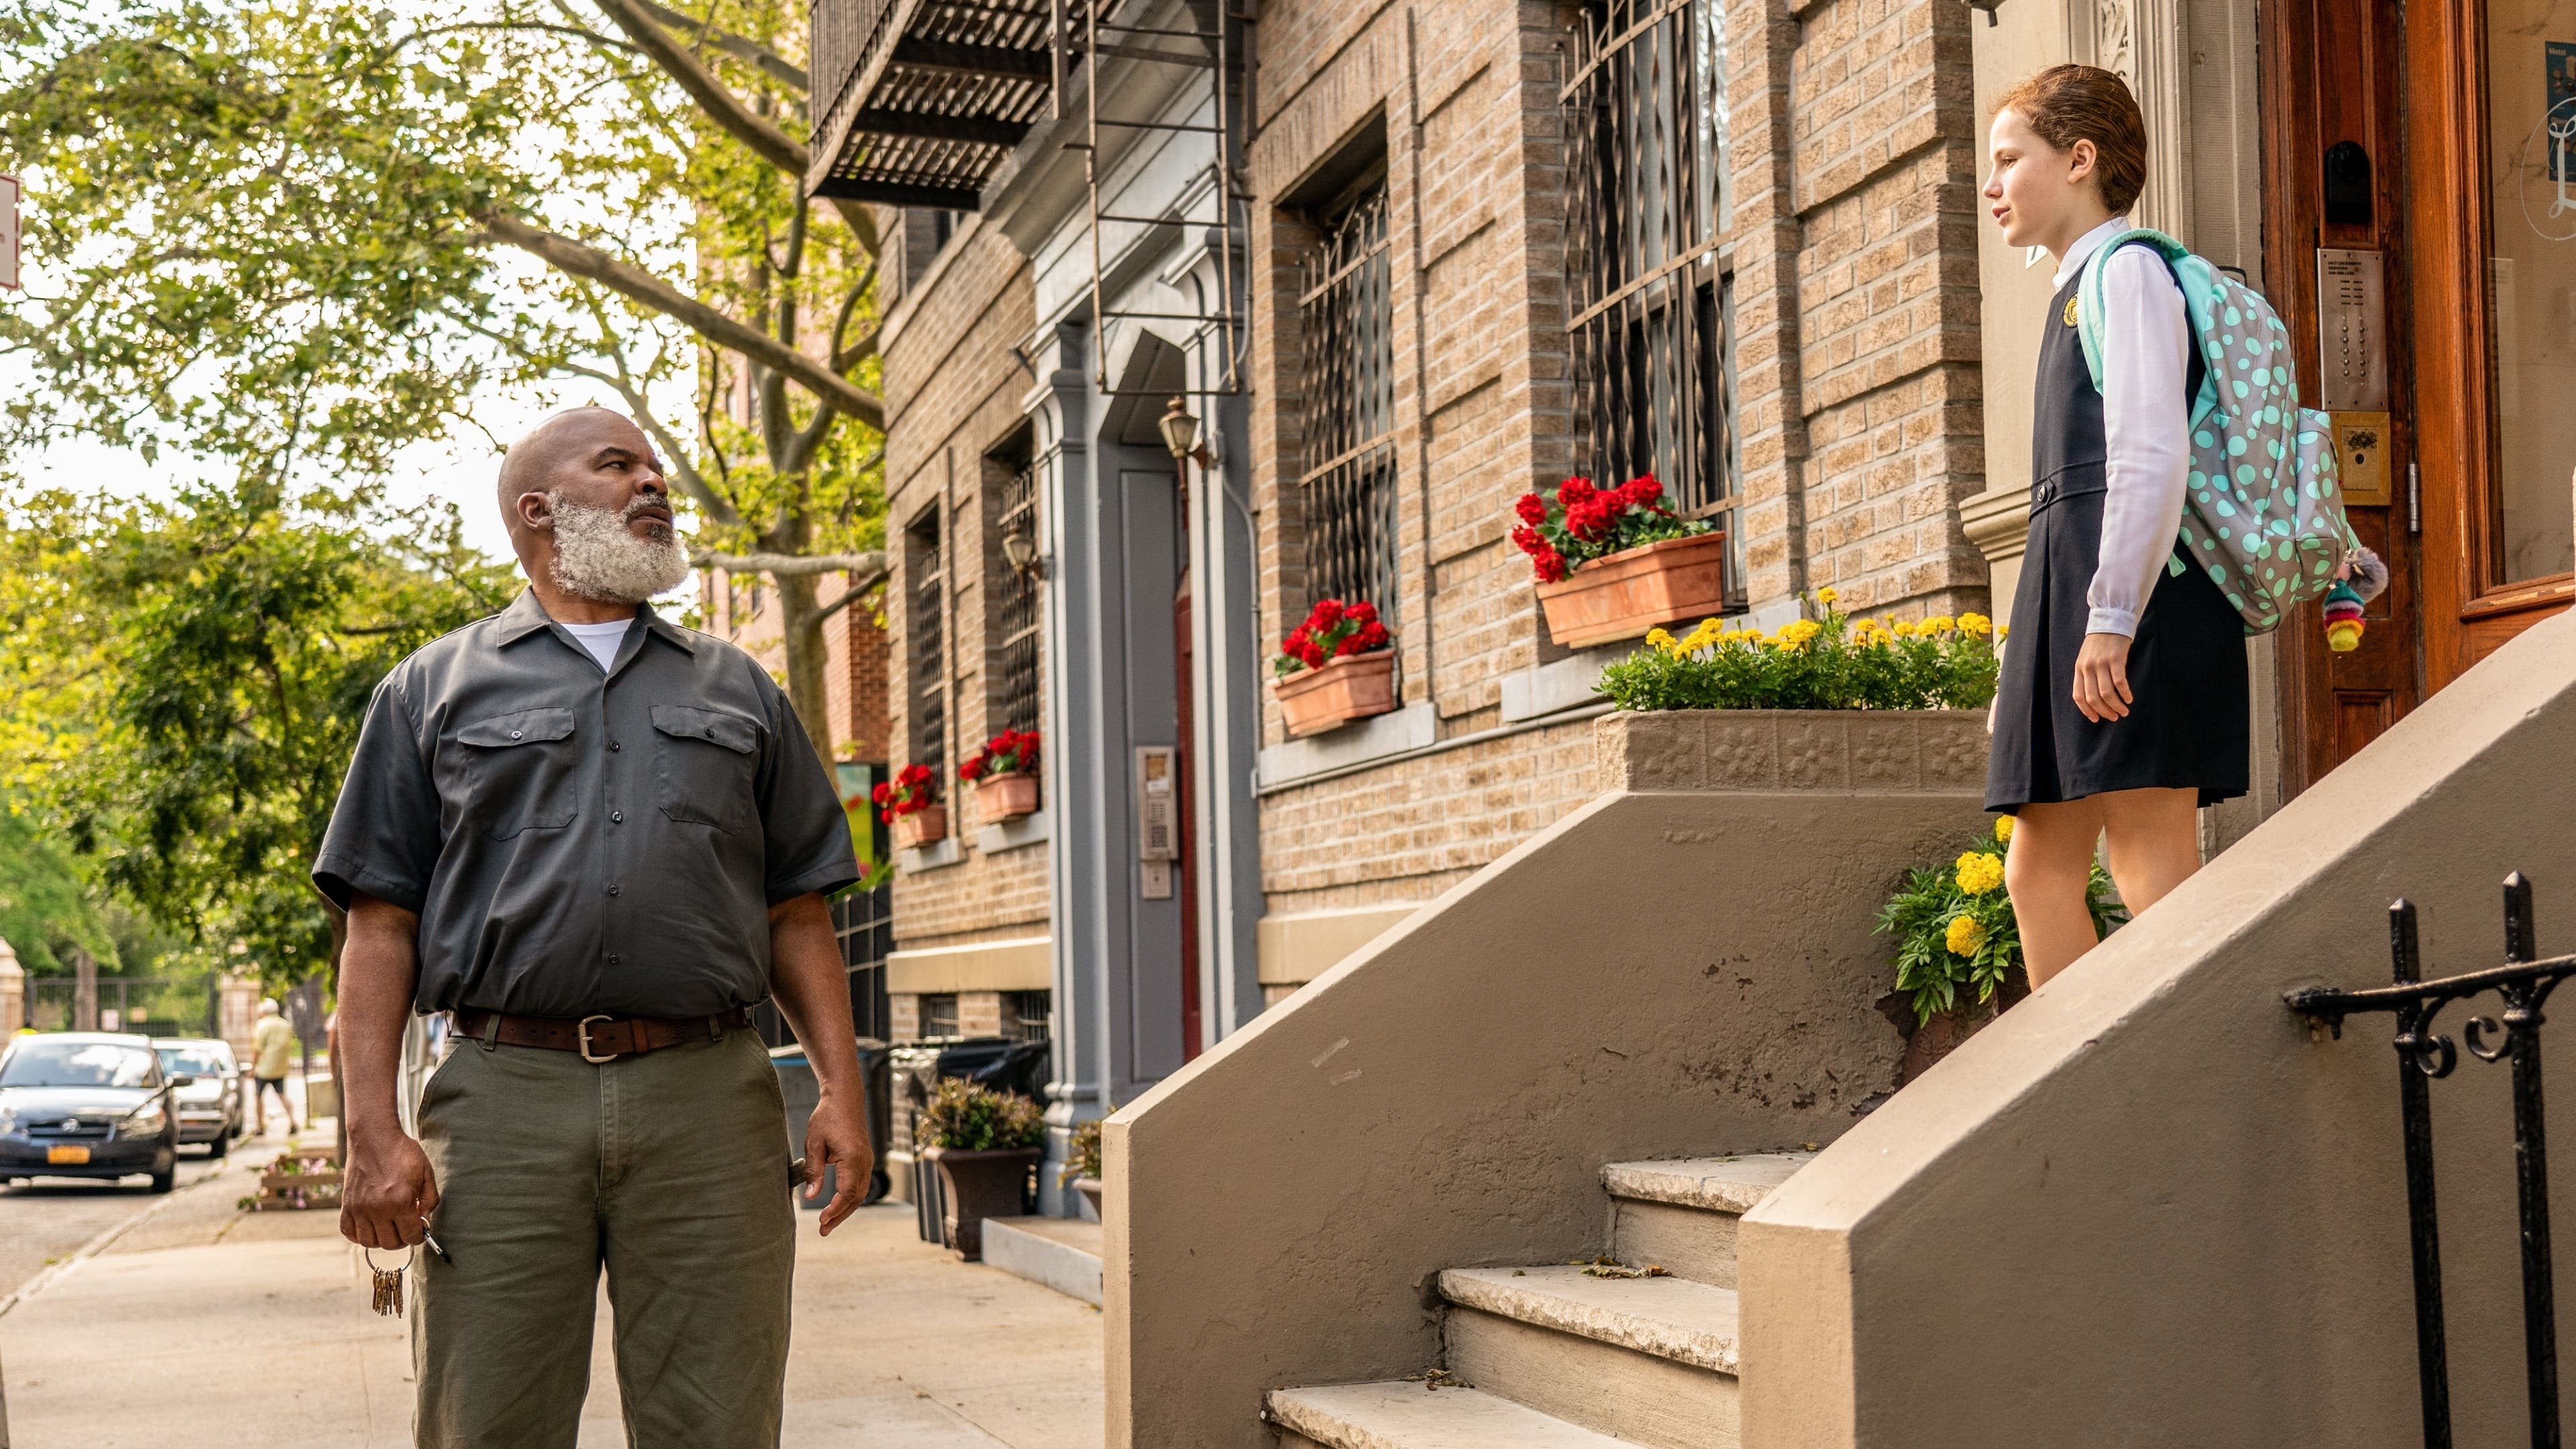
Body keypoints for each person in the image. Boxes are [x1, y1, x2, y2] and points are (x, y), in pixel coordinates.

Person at [313, 406, 873, 1448]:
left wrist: (843, 1089)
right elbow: (378, 926)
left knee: (720, 1421)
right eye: (620, 466)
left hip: (708, 1096)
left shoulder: (740, 687)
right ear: (539, 510)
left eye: (658, 469)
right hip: (501, 1101)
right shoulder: (431, 689)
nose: (654, 484)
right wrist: (370, 1131)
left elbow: (795, 907)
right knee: (487, 1418)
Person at [1980, 65, 2249, 987]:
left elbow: (2148, 456)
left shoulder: (2129, 274)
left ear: (2080, 158)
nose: (1992, 186)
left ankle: (2199, 1082)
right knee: (2038, 869)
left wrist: (2111, 619)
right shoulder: (2074, 289)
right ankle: (2087, 1087)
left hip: (2138, 604)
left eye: (2010, 159)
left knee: (2150, 860)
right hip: (2082, 598)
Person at [250, 998, 297, 1134]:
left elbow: (257, 1048)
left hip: (264, 1068)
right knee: (282, 1095)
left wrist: (253, 1068)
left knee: (258, 1096)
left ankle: (259, 1127)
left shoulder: (262, 1025)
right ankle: (293, 1121)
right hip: (280, 1067)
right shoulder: (285, 1024)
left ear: (263, 1011)